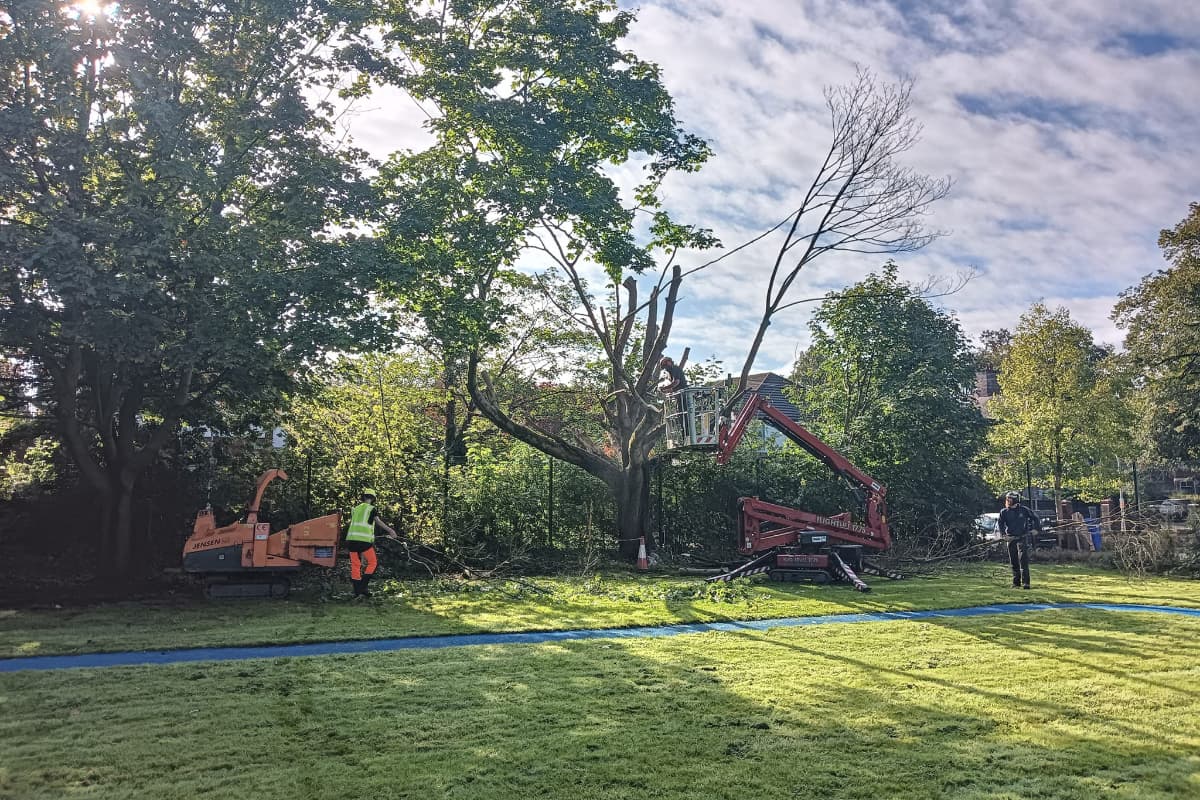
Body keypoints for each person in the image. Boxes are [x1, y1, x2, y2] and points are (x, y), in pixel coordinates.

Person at [345, 488, 398, 598]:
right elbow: (378, 522)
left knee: (355, 565)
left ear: (363, 497)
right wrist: (390, 530)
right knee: (373, 563)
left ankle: (357, 591)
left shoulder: (355, 509)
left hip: (351, 540)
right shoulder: (371, 509)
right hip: (364, 542)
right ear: (373, 499)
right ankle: (363, 586)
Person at [998, 490, 1042, 589]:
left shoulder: (1024, 510)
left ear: (1015, 500)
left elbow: (1035, 518)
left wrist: (1036, 529)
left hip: (1022, 537)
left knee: (1023, 559)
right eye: (1007, 499)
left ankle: (1026, 583)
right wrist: (1004, 535)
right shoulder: (1004, 512)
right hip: (1011, 538)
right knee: (1013, 561)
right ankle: (1016, 583)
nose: (1008, 501)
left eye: (1010, 499)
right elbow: (1000, 524)